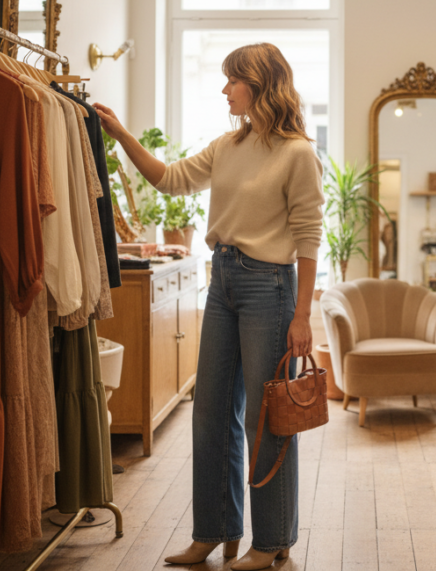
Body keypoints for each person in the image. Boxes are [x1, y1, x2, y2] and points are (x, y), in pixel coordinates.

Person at [94, 42, 324, 570]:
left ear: (260, 84)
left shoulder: (297, 153)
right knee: (212, 411)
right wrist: (121, 134)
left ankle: (270, 541)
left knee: (268, 417)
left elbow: (309, 236)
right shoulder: (227, 145)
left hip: (270, 286)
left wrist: (303, 315)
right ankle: (213, 531)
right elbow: (168, 178)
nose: (225, 90)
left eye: (232, 80)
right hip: (221, 280)